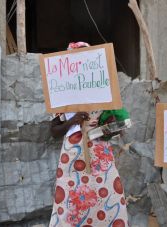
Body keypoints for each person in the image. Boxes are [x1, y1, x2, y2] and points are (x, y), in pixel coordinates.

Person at [49, 42, 129, 227]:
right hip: (72, 155)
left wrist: (112, 125)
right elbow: (54, 131)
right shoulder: (60, 93)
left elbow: (119, 124)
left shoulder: (104, 89)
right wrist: (72, 120)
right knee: (72, 200)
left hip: (100, 152)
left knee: (106, 195)